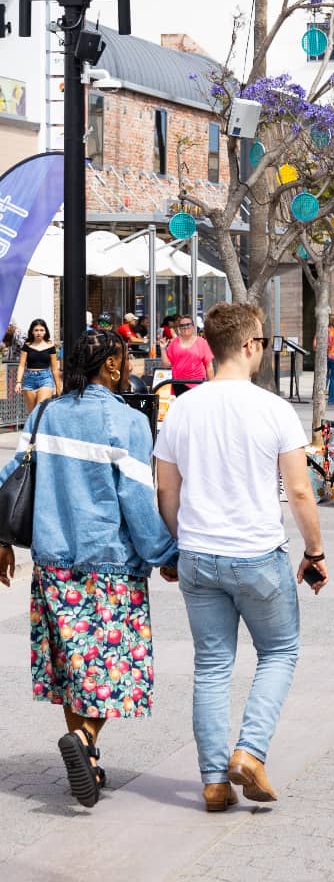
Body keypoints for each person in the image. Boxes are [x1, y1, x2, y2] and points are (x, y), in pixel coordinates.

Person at [154, 302, 327, 812]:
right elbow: (299, 492)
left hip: (198, 555)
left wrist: (180, 539)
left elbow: (166, 490)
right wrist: (314, 551)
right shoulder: (273, 409)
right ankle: (249, 752)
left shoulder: (182, 407)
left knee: (211, 666)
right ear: (251, 346)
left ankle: (212, 780)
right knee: (278, 652)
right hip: (256, 555)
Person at [0, 328, 178, 809]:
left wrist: (2, 541)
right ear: (113, 367)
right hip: (110, 565)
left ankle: (90, 759)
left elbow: (12, 475)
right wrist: (166, 555)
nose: (133, 367)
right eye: (127, 359)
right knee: (110, 668)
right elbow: (139, 502)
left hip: (52, 562)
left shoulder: (43, 413)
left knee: (72, 668)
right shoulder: (127, 423)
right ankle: (84, 744)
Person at [14, 318, 62, 412]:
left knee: (40, 411)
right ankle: (33, 427)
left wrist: (58, 388)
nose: (39, 333)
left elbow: (55, 369)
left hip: (45, 379)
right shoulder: (27, 345)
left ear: (45, 332)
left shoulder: (50, 346)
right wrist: (18, 382)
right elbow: (22, 365)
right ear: (32, 332)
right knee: (32, 413)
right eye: (36, 330)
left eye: (41, 330)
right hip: (29, 380)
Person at [161, 314, 215, 387]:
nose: (185, 327)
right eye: (182, 325)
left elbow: (209, 366)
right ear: (179, 328)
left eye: (188, 324)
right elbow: (166, 365)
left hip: (197, 383)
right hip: (178, 383)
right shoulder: (173, 343)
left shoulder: (202, 342)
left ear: (193, 327)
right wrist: (162, 349)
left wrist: (212, 386)